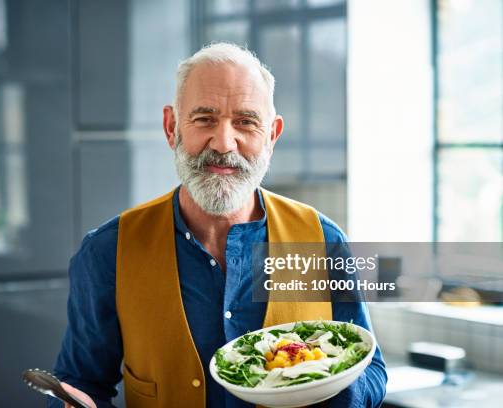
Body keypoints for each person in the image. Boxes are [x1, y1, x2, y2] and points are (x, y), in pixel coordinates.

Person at [49, 42, 387, 408]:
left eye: (246, 121)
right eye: (205, 118)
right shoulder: (107, 252)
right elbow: (80, 382)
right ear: (171, 127)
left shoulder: (323, 240)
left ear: (271, 136)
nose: (224, 143)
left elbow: (371, 368)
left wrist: (335, 391)